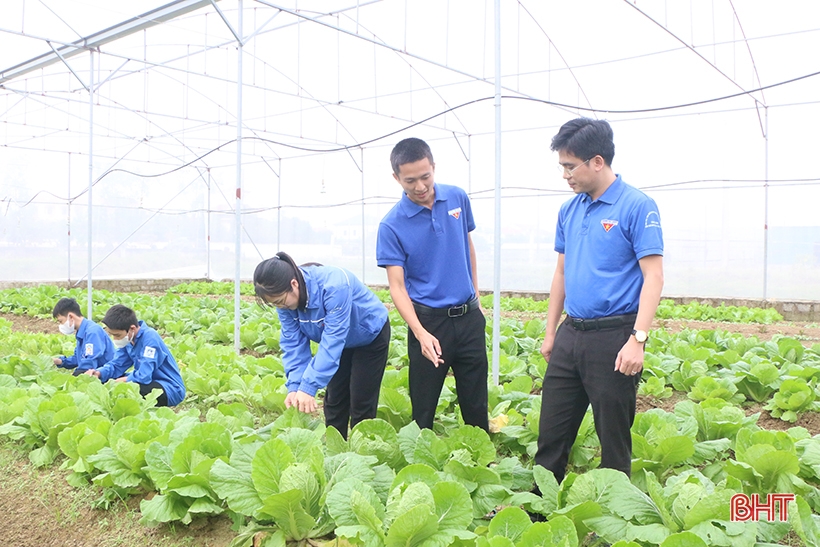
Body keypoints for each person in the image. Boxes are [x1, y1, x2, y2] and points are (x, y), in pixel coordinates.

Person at [535, 118, 664, 483]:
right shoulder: (570, 210)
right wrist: (550, 334)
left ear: (596, 161)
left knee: (613, 439)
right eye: (562, 166)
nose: (565, 175)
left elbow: (653, 276)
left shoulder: (637, 205)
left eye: (569, 166)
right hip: (571, 333)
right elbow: (561, 274)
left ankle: (613, 520)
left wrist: (637, 339)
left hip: (615, 336)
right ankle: (540, 511)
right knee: (552, 432)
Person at [376, 137, 489, 432]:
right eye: (410, 180)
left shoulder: (457, 198)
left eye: (425, 176)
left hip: (468, 318)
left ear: (434, 167)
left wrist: (475, 295)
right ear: (396, 178)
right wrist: (421, 333)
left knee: (476, 403)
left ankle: (481, 459)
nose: (420, 186)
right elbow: (397, 287)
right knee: (424, 407)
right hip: (429, 323)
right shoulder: (391, 225)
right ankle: (420, 468)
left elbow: (467, 244)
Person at [254, 252, 390, 439]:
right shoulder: (286, 306)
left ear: (294, 284)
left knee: (361, 401)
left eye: (280, 301)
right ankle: (336, 451)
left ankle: (364, 452)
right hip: (339, 341)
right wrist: (295, 386)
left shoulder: (335, 285)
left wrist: (308, 387)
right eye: (275, 304)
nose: (281, 307)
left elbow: (333, 339)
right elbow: (293, 344)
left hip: (369, 335)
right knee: (334, 400)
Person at [85, 304, 186, 407]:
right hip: (148, 382)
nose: (115, 339)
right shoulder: (128, 340)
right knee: (108, 382)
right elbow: (117, 365)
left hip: (169, 388)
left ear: (132, 329)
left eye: (117, 335)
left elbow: (144, 375)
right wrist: (99, 373)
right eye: (112, 335)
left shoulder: (150, 338)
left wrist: (123, 380)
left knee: (129, 388)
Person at [52, 297, 115, 376]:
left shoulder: (92, 332)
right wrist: (60, 361)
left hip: (105, 377)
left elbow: (89, 363)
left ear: (71, 316)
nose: (61, 325)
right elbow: (78, 359)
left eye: (61, 321)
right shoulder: (82, 331)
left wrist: (74, 376)